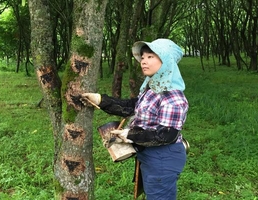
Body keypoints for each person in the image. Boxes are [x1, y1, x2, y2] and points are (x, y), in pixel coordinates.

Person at [81, 38, 189, 200]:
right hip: (150, 155)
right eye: (143, 57)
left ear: (167, 61)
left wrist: (130, 135)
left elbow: (167, 135)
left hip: (163, 159)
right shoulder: (153, 89)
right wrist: (101, 100)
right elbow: (133, 106)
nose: (144, 61)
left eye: (151, 57)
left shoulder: (172, 97)